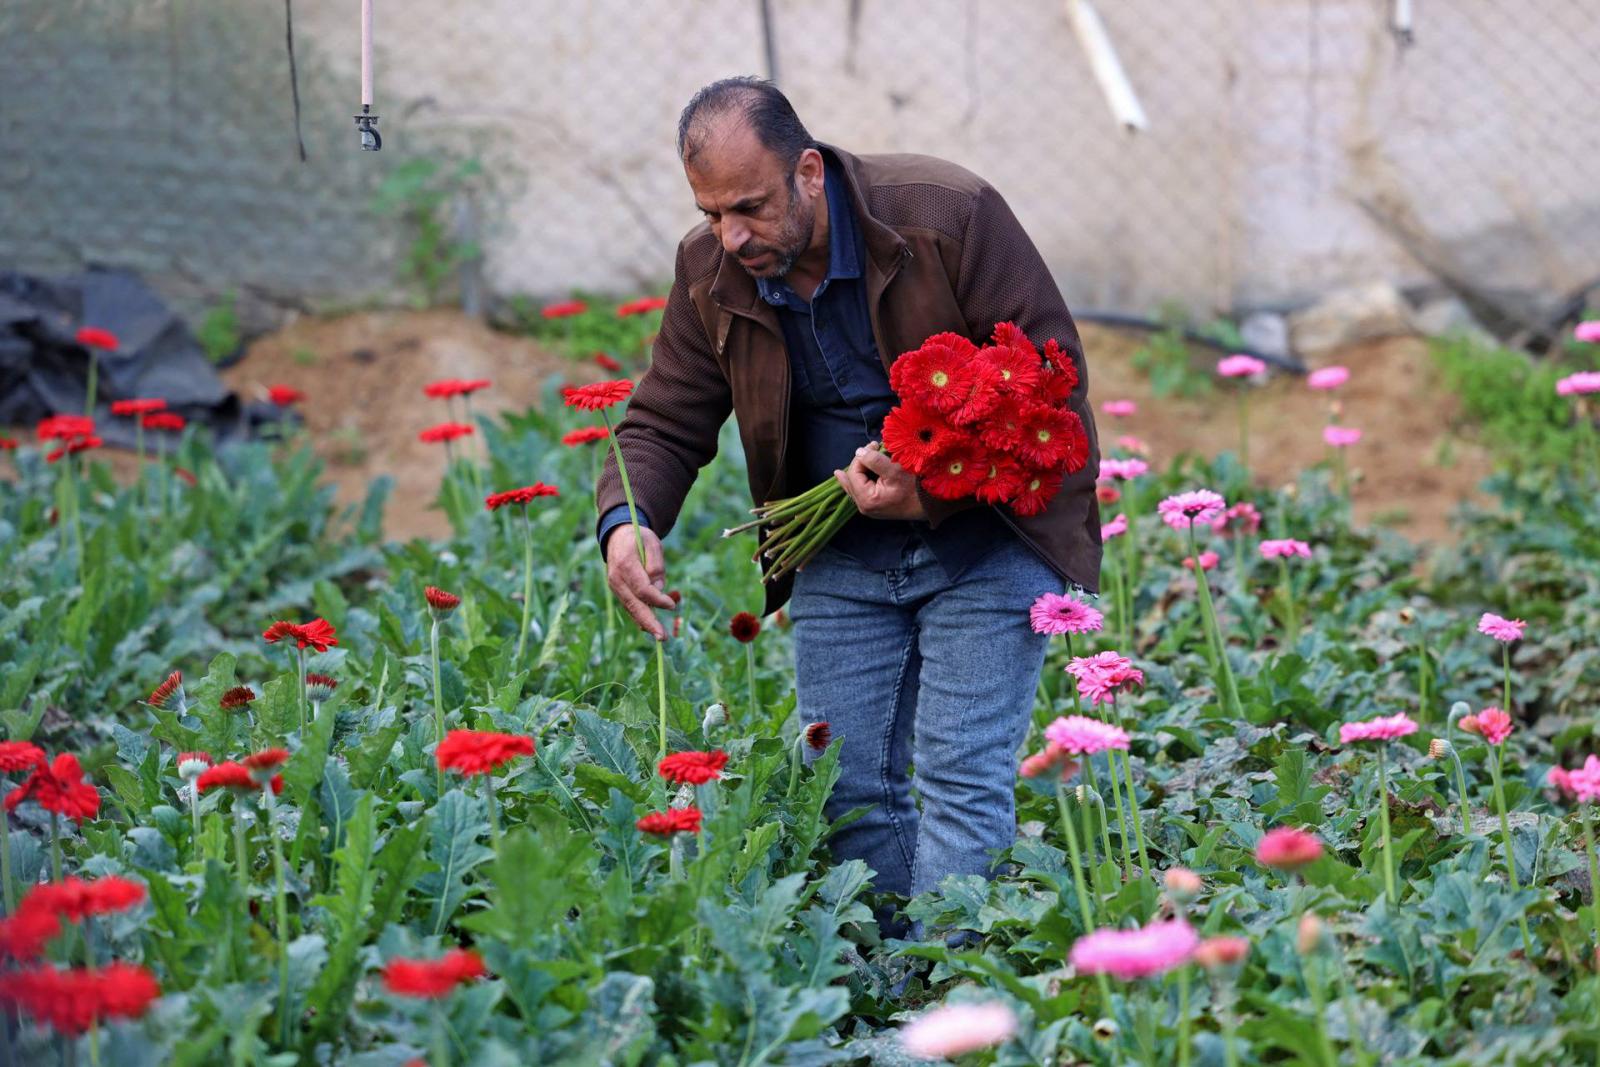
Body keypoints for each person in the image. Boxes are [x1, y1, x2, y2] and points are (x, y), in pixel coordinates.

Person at [594, 76, 1101, 944]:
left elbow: (1052, 392)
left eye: (749, 206)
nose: (733, 235)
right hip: (842, 552)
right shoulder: (712, 268)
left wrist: (934, 485)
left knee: (959, 775)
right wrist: (629, 518)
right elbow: (667, 412)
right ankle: (883, 985)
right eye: (712, 213)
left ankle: (952, 992)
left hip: (987, 538)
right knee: (844, 782)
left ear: (808, 171)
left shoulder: (947, 216)